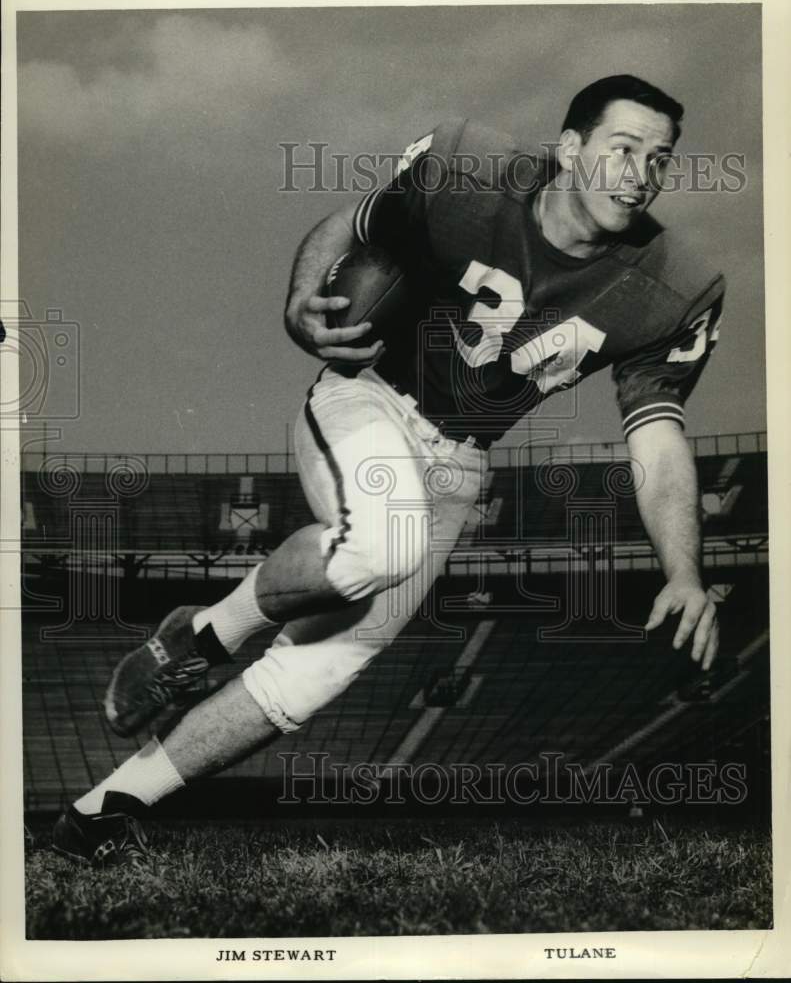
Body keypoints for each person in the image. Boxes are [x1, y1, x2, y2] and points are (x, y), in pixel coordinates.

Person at [53, 75, 723, 864]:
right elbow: (357, 220)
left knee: (315, 675)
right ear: (570, 148)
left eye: (659, 157)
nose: (640, 170)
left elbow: (656, 438)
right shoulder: (468, 173)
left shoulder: (670, 287)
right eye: (622, 147)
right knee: (380, 545)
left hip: (459, 461)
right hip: (367, 397)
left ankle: (95, 816)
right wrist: (301, 294)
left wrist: (682, 571)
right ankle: (203, 633)